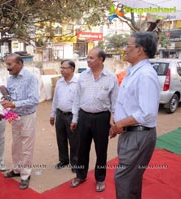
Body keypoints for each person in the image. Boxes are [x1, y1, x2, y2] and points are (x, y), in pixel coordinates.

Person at [110, 32, 160, 199]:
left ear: (140, 50)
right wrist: (117, 122)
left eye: (128, 46)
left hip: (139, 134)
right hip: (130, 132)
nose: (125, 50)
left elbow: (147, 113)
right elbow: (127, 103)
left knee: (124, 179)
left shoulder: (145, 75)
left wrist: (119, 124)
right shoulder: (133, 71)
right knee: (131, 180)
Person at [70, 48, 119, 192]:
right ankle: (80, 175)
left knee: (101, 150)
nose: (88, 60)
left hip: (102, 118)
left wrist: (113, 121)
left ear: (101, 60)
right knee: (81, 149)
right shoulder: (83, 76)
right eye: (88, 58)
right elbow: (76, 99)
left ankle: (100, 179)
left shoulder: (111, 78)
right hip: (84, 116)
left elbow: (115, 102)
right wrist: (75, 118)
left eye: (91, 58)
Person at [1, 53, 39, 190]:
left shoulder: (31, 78)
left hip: (28, 116)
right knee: (15, 145)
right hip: (14, 116)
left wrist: (13, 104)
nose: (7, 68)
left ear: (20, 64)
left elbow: (34, 100)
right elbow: (11, 96)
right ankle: (17, 169)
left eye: (10, 64)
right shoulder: (10, 78)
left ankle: (25, 174)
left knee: (27, 146)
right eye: (6, 64)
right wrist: (6, 100)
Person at [50, 60, 79, 172]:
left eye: (64, 68)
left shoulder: (78, 83)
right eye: (61, 67)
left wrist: (75, 119)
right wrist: (52, 115)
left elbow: (78, 102)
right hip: (60, 114)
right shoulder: (59, 82)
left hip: (72, 115)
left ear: (72, 69)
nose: (61, 70)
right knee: (60, 139)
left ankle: (75, 163)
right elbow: (55, 99)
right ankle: (64, 160)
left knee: (74, 140)